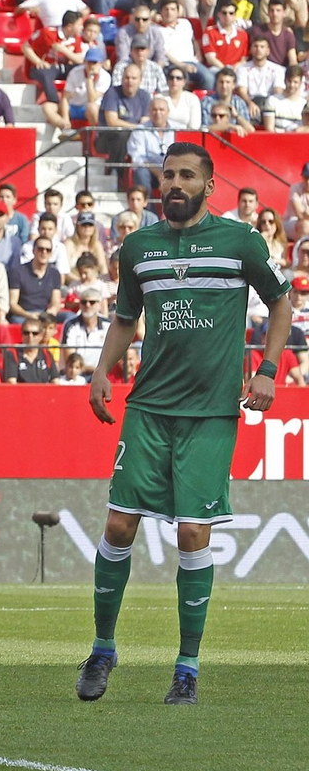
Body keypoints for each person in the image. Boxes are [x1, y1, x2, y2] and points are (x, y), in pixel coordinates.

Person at [77, 142, 292, 705]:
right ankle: (102, 649)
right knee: (120, 526)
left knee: (192, 533)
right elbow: (125, 318)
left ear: (209, 184)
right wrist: (102, 371)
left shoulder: (241, 242)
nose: (174, 183)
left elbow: (283, 304)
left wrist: (268, 370)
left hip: (210, 413)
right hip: (148, 409)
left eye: (187, 175)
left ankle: (187, 666)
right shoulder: (139, 247)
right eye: (168, 174)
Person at [127, 95, 175, 192]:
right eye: (154, 110)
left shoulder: (179, 129)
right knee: (141, 172)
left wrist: (167, 174)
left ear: (168, 112)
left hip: (173, 171)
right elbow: (138, 159)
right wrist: (158, 173)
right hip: (150, 171)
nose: (158, 113)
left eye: (161, 110)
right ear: (149, 112)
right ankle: (148, 207)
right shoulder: (140, 130)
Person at [62, 287, 109, 371]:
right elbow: (70, 358)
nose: (87, 305)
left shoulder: (108, 325)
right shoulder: (70, 325)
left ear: (99, 305)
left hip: (103, 373)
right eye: (84, 302)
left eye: (92, 302)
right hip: (77, 374)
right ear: (80, 304)